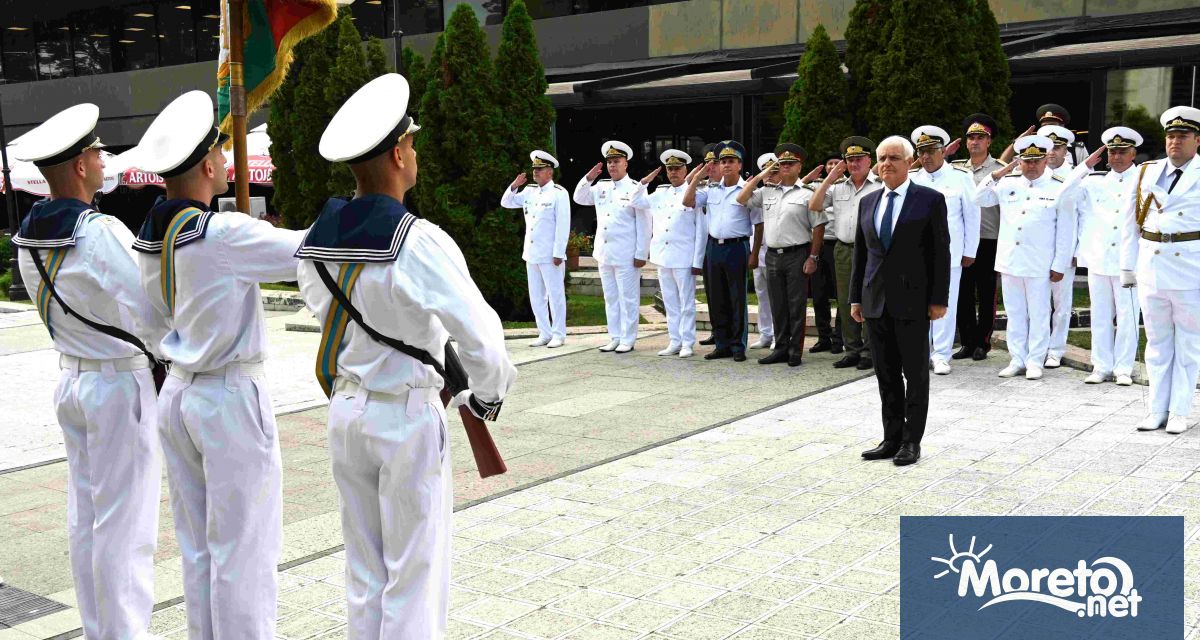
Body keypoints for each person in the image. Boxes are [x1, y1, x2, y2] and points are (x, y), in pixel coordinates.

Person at [295, 73, 517, 637]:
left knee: (364, 571)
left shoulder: (314, 245)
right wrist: (486, 396)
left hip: (346, 412)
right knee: (415, 574)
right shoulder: (418, 240)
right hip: (407, 412)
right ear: (398, 153)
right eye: (412, 143)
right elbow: (484, 339)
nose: (414, 153)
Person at [130, 90, 308, 638]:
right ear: (208, 164)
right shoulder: (221, 233)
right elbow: (305, 250)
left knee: (200, 549)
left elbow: (151, 323)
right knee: (245, 552)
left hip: (179, 392)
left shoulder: (150, 239)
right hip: (229, 396)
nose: (227, 163)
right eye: (220, 155)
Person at [11, 104, 167, 640]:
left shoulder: (29, 238)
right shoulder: (99, 232)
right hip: (118, 384)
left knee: (87, 521)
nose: (103, 160)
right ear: (80, 166)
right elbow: (152, 305)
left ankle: (100, 629)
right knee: (126, 526)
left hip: (73, 380)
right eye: (96, 152)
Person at [851, 136, 951, 466]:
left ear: (911, 162)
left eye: (894, 157)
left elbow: (940, 253)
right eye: (882, 158)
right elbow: (861, 256)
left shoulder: (930, 200)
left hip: (913, 302)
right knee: (886, 375)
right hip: (875, 302)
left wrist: (939, 299)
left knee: (916, 375)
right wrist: (855, 299)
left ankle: (912, 441)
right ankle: (891, 438)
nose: (887, 163)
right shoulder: (868, 202)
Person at [1121, 106, 1200, 434]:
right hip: (1152, 263)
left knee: (1189, 343)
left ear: (1197, 140)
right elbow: (1128, 224)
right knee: (1156, 342)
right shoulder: (1145, 173)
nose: (1175, 142)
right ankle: (1156, 409)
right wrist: (1127, 267)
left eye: (1182, 136)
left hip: (1191, 267)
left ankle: (1180, 410)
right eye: (1170, 136)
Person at [973, 135, 1074, 381]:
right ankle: (1017, 358)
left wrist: (1060, 263)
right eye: (1027, 161)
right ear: (1020, 162)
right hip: (1010, 260)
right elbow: (978, 198)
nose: (1031, 166)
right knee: (1015, 313)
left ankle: (1035, 360)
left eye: (1036, 161)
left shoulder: (1059, 185)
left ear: (1044, 161)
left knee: (1039, 314)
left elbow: (1066, 230)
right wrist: (999, 173)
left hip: (1040, 263)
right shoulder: (1009, 181)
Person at [1059, 127, 1143, 386]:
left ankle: (1124, 368)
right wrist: (1084, 166)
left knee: (1128, 317)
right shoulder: (1093, 181)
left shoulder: (1143, 179)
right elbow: (1062, 195)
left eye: (1122, 152)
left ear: (1133, 154)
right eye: (1112, 152)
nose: (1116, 157)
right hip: (1099, 257)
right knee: (1100, 315)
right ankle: (1101, 365)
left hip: (1130, 260)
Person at [738, 144, 828, 367]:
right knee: (777, 304)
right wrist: (762, 175)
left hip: (797, 254)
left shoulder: (808, 193)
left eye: (790, 164)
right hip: (772, 255)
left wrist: (813, 257)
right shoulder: (767, 191)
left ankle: (795, 350)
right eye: (782, 164)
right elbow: (741, 198)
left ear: (799, 167)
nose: (785, 167)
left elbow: (819, 227)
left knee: (796, 304)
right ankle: (780, 348)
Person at [909, 125, 980, 376]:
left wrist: (970, 250)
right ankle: (921, 352)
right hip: (918, 254)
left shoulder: (961, 178)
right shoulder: (913, 179)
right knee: (918, 304)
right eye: (922, 152)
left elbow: (972, 216)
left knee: (944, 304)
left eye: (931, 151)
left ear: (943, 152)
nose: (926, 157)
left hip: (950, 253)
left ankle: (941, 354)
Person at [683, 140, 763, 361]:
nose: (726, 165)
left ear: (739, 165)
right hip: (713, 248)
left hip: (737, 247)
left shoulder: (746, 191)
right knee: (716, 298)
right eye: (723, 161)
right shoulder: (711, 190)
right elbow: (688, 201)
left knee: (737, 299)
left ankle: (738, 346)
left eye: (731, 161)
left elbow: (758, 224)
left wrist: (754, 253)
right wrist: (698, 177)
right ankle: (722, 344)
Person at [573, 141, 656, 353]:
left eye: (616, 161)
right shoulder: (601, 186)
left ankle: (628, 338)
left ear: (625, 164)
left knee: (628, 298)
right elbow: (579, 197)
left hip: (627, 254)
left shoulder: (636, 188)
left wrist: (641, 253)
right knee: (610, 297)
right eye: (609, 162)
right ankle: (615, 336)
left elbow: (645, 223)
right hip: (604, 253)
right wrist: (589, 177)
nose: (612, 165)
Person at [811, 137, 882, 371]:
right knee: (845, 301)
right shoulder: (838, 187)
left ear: (869, 160)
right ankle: (852, 350)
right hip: (843, 249)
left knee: (869, 300)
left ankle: (870, 351)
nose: (854, 163)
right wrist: (831, 177)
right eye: (850, 160)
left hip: (871, 251)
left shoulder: (879, 186)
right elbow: (814, 204)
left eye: (859, 159)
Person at [502, 150, 570, 348]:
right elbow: (506, 202)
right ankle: (544, 332)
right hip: (531, 254)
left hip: (550, 255)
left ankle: (558, 333)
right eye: (534, 169)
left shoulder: (559, 193)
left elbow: (562, 225)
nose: (535, 172)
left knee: (555, 295)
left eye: (540, 169)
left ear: (550, 172)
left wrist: (559, 252)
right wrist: (514, 186)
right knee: (536, 296)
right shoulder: (529, 192)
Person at [952, 113, 1006, 361]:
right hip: (962, 240)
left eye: (980, 137)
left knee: (985, 294)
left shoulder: (1000, 170)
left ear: (989, 141)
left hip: (988, 239)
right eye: (971, 137)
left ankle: (982, 343)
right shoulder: (955, 169)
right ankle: (966, 341)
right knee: (962, 293)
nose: (975, 142)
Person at [644, 149, 707, 357]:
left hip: (684, 257)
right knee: (670, 302)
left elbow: (701, 230)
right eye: (670, 169)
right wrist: (644, 182)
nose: (673, 172)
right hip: (663, 256)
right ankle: (674, 340)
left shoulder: (693, 194)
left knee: (686, 303)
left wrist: (698, 259)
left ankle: (688, 342)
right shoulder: (660, 193)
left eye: (677, 168)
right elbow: (636, 202)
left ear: (685, 170)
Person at [1038, 124, 1080, 368]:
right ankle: (1039, 347)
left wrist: (1077, 250)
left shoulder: (1077, 176)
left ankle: (1056, 349)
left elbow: (1083, 216)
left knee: (1061, 304)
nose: (1052, 152)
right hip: (1039, 250)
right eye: (1048, 147)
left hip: (1065, 250)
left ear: (1067, 150)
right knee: (1038, 303)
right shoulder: (1033, 174)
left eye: (1059, 147)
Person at [807, 154, 843, 356]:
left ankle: (839, 338)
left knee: (841, 295)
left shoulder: (847, 186)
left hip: (838, 244)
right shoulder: (817, 187)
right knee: (819, 295)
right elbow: (799, 189)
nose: (832, 166)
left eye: (836, 163)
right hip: (819, 245)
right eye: (829, 163)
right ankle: (824, 337)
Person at [749, 151, 777, 350]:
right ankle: (765, 333)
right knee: (762, 295)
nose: (770, 176)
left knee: (778, 297)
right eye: (766, 173)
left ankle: (778, 334)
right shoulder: (759, 194)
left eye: (774, 171)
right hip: (759, 252)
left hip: (777, 251)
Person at [698, 143, 721, 347]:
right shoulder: (703, 187)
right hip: (706, 246)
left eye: (714, 163)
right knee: (711, 293)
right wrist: (698, 176)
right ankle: (716, 331)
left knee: (728, 295)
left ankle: (729, 335)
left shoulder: (730, 186)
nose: (710, 167)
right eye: (707, 163)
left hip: (724, 244)